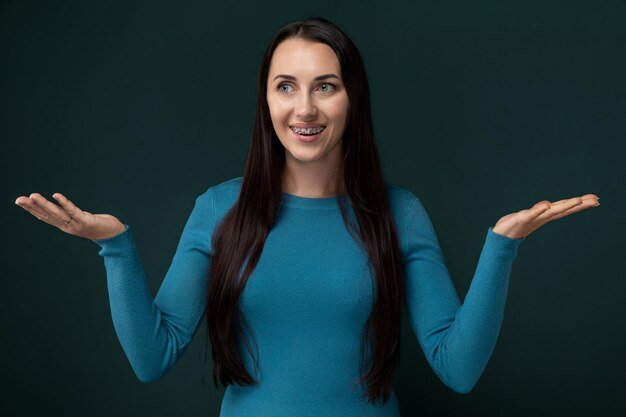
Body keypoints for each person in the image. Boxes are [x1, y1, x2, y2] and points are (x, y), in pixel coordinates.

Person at [14, 17, 599, 417]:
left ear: (352, 99)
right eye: (285, 86)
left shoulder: (400, 212)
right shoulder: (221, 209)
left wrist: (502, 246)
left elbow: (459, 368)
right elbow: (153, 356)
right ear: (266, 100)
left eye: (326, 86)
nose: (305, 108)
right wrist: (115, 245)